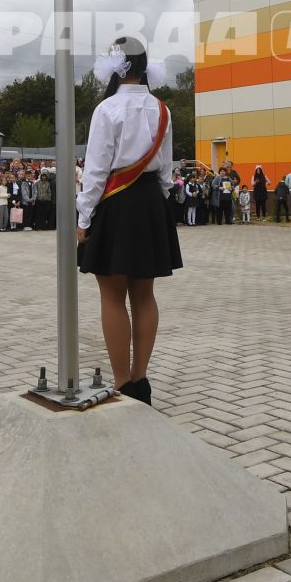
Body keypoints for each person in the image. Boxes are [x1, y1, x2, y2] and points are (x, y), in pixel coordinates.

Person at [76, 37, 179, 406]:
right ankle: (141, 378)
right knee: (145, 294)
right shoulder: (162, 109)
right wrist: (158, 203)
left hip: (116, 203)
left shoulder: (107, 109)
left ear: (115, 66)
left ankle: (122, 381)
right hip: (151, 200)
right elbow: (167, 172)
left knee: (112, 294)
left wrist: (84, 217)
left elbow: (97, 170)